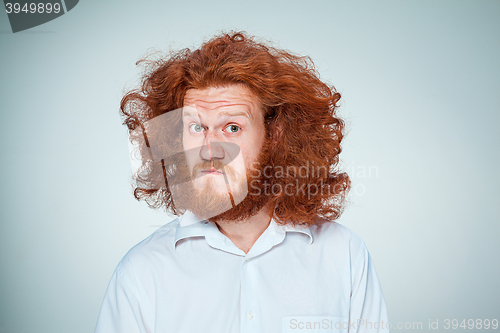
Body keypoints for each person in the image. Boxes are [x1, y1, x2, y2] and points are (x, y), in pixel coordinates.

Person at [95, 31, 389, 333]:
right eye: (196, 127)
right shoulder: (141, 272)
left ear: (274, 136)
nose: (209, 148)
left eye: (232, 127)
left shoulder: (344, 256)